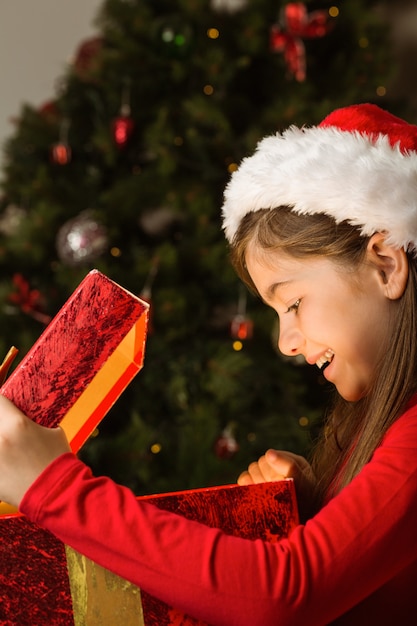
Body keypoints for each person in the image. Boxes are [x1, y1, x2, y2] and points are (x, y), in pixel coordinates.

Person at [1, 102, 417, 625]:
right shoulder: (383, 422)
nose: (287, 342)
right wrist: (319, 510)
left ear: (385, 265)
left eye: (292, 303)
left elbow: (284, 593)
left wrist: (54, 487)